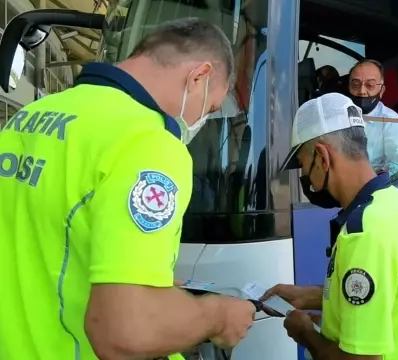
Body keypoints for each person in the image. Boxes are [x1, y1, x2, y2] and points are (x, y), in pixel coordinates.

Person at [0, 18, 256, 360]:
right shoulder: (149, 143)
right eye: (209, 110)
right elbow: (124, 331)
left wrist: (150, 293)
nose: (199, 122)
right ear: (199, 77)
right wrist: (217, 315)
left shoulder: (31, 116)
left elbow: (44, 242)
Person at [263, 92, 398, 360]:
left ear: (322, 157)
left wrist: (306, 333)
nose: (306, 176)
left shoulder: (364, 233)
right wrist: (308, 296)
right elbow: (385, 295)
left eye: (303, 166)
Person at [347, 59, 398, 176]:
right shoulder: (339, 114)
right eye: (355, 85)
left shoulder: (390, 120)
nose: (361, 91)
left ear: (381, 91)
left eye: (370, 85)